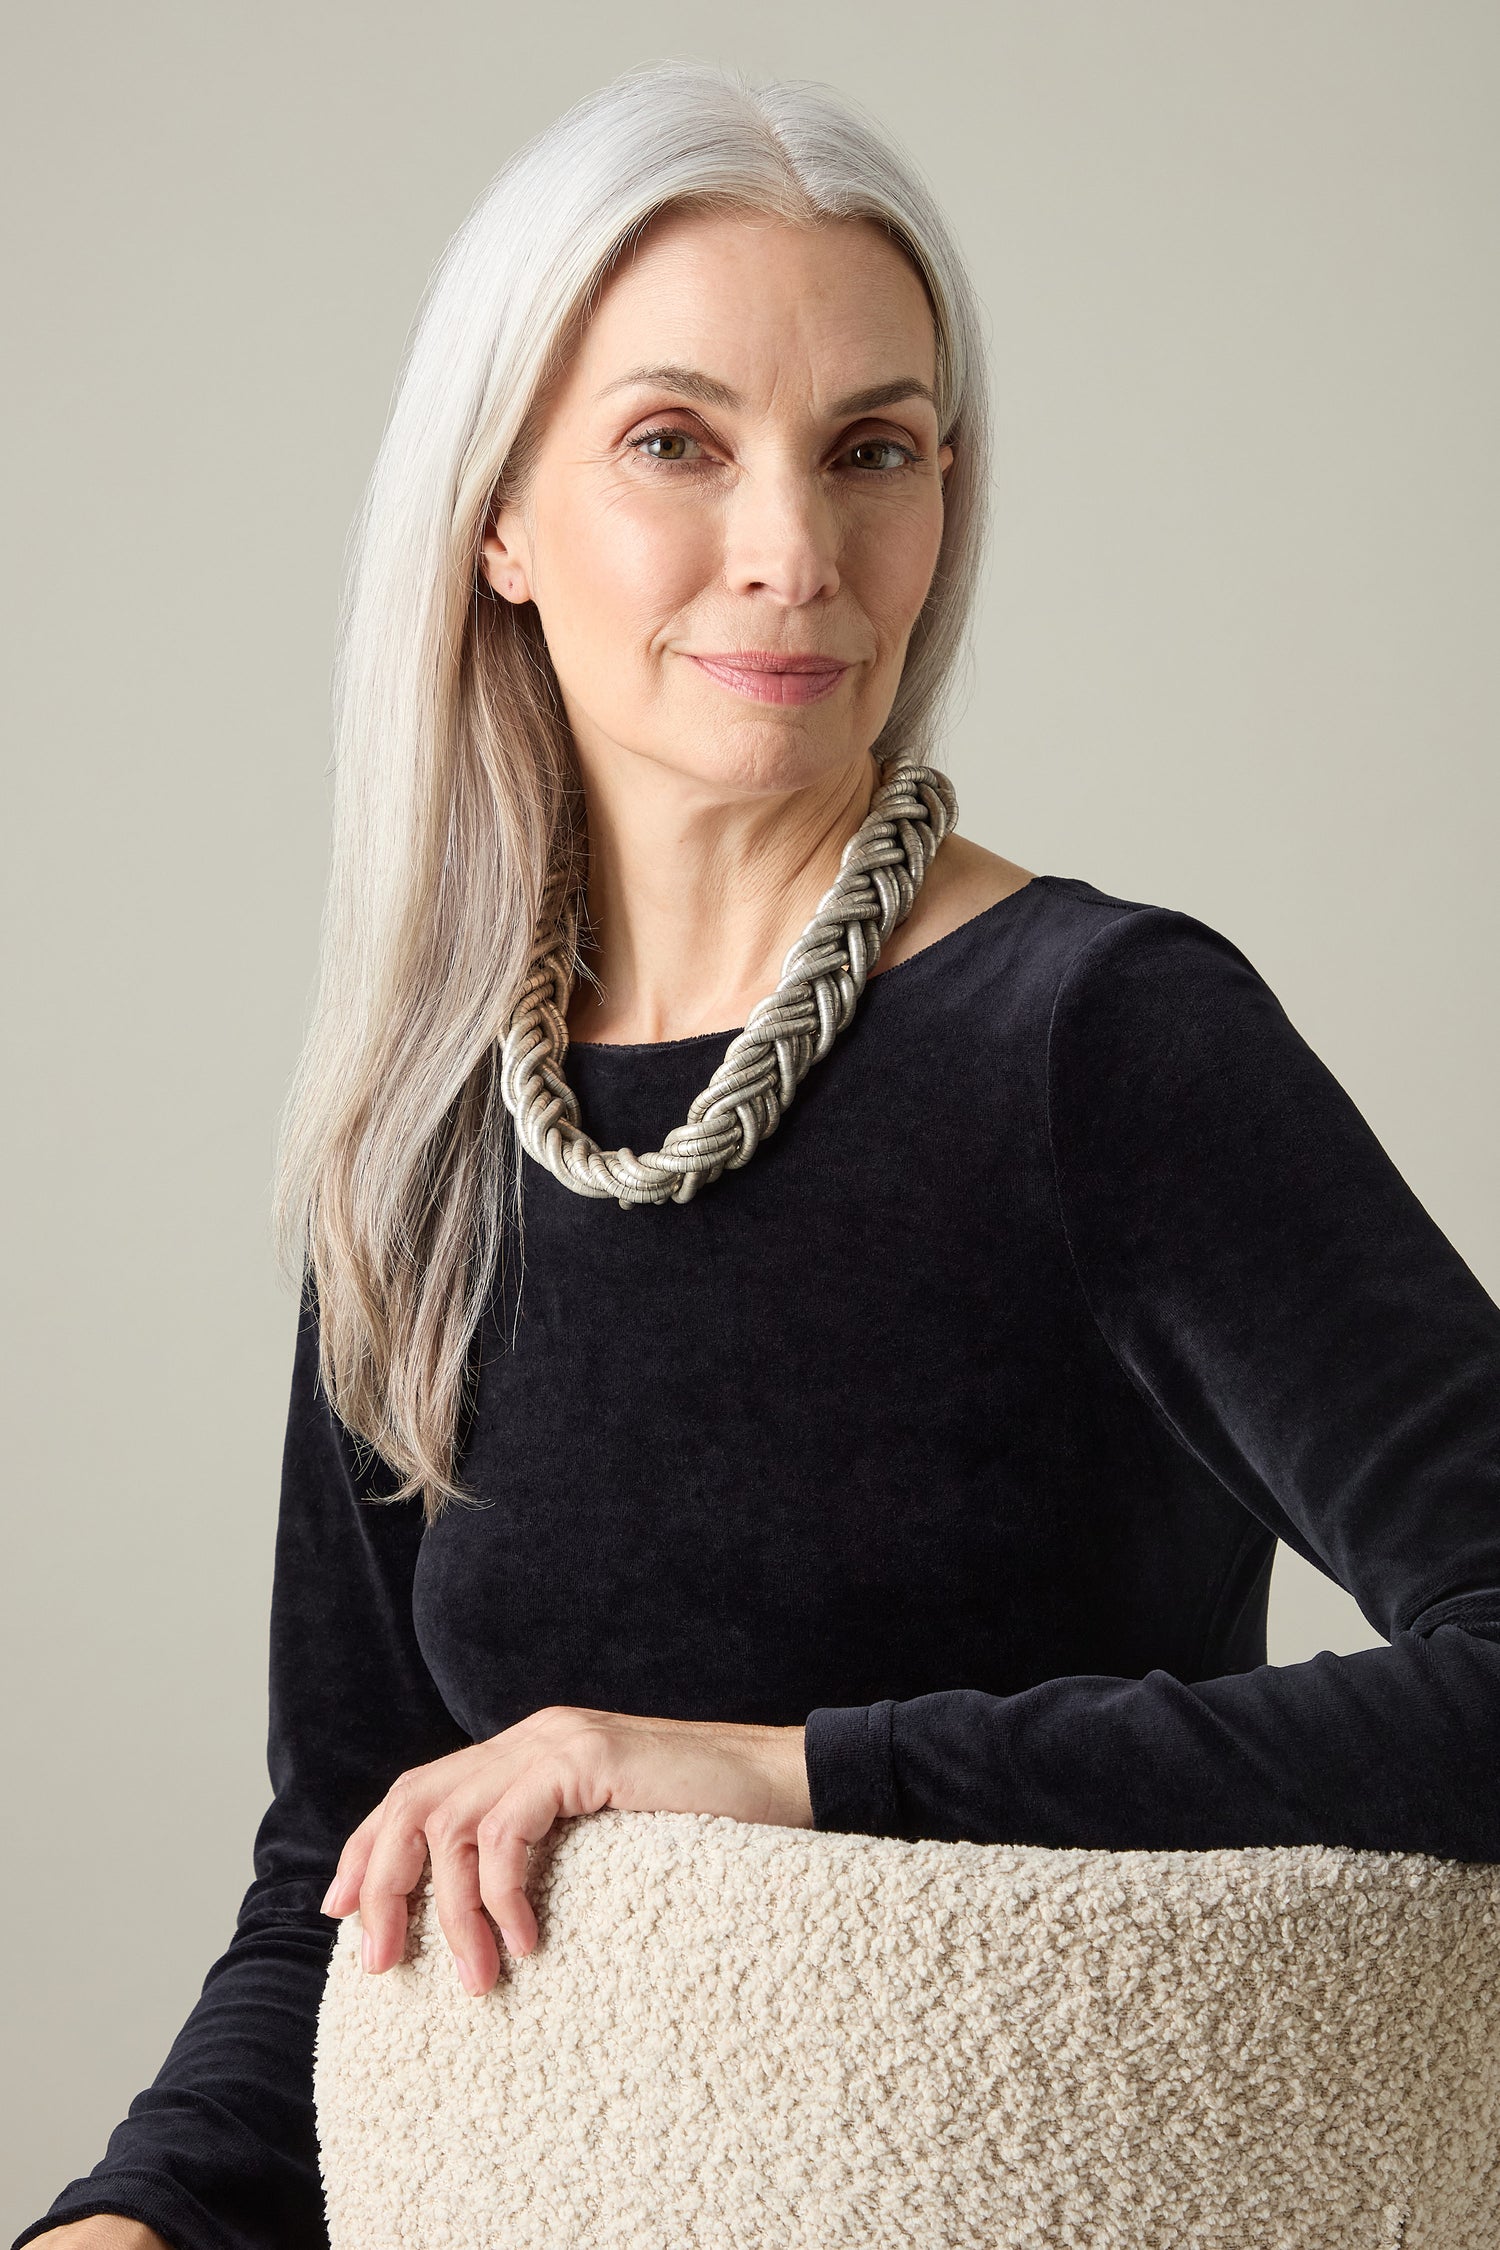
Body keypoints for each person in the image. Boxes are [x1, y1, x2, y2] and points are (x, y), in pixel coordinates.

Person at [19, 54, 1500, 2250]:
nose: (794, 552)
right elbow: (343, 1869)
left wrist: (782, 1776)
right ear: (498, 519)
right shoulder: (430, 1133)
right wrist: (126, 2227)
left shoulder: (1100, 1040)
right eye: (673, 444)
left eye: (870, 450)